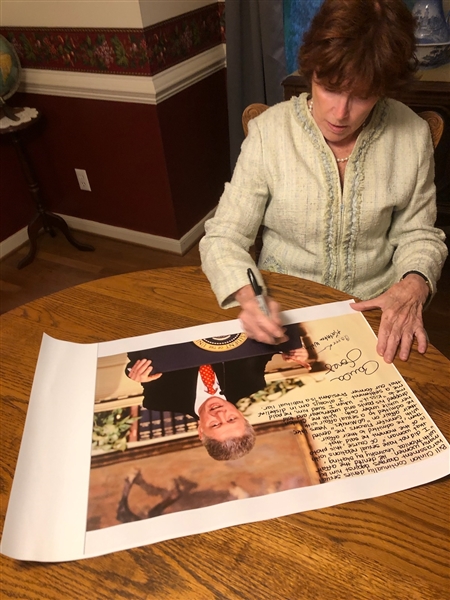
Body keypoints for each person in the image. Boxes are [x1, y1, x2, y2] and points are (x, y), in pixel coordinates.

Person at [200, 0, 448, 365]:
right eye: (330, 87)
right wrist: (250, 294)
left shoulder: (410, 134)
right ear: (311, 69)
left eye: (362, 95)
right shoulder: (270, 133)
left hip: (375, 313)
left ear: (384, 89)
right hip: (282, 312)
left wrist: (413, 283)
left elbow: (419, 234)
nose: (340, 113)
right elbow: (224, 236)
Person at [126, 349, 310, 460]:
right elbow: (265, 347)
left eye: (215, 424)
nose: (220, 414)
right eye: (231, 419)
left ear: (200, 430)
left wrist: (134, 373)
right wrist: (290, 351)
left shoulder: (160, 399)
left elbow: (137, 358)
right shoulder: (250, 382)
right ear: (242, 416)